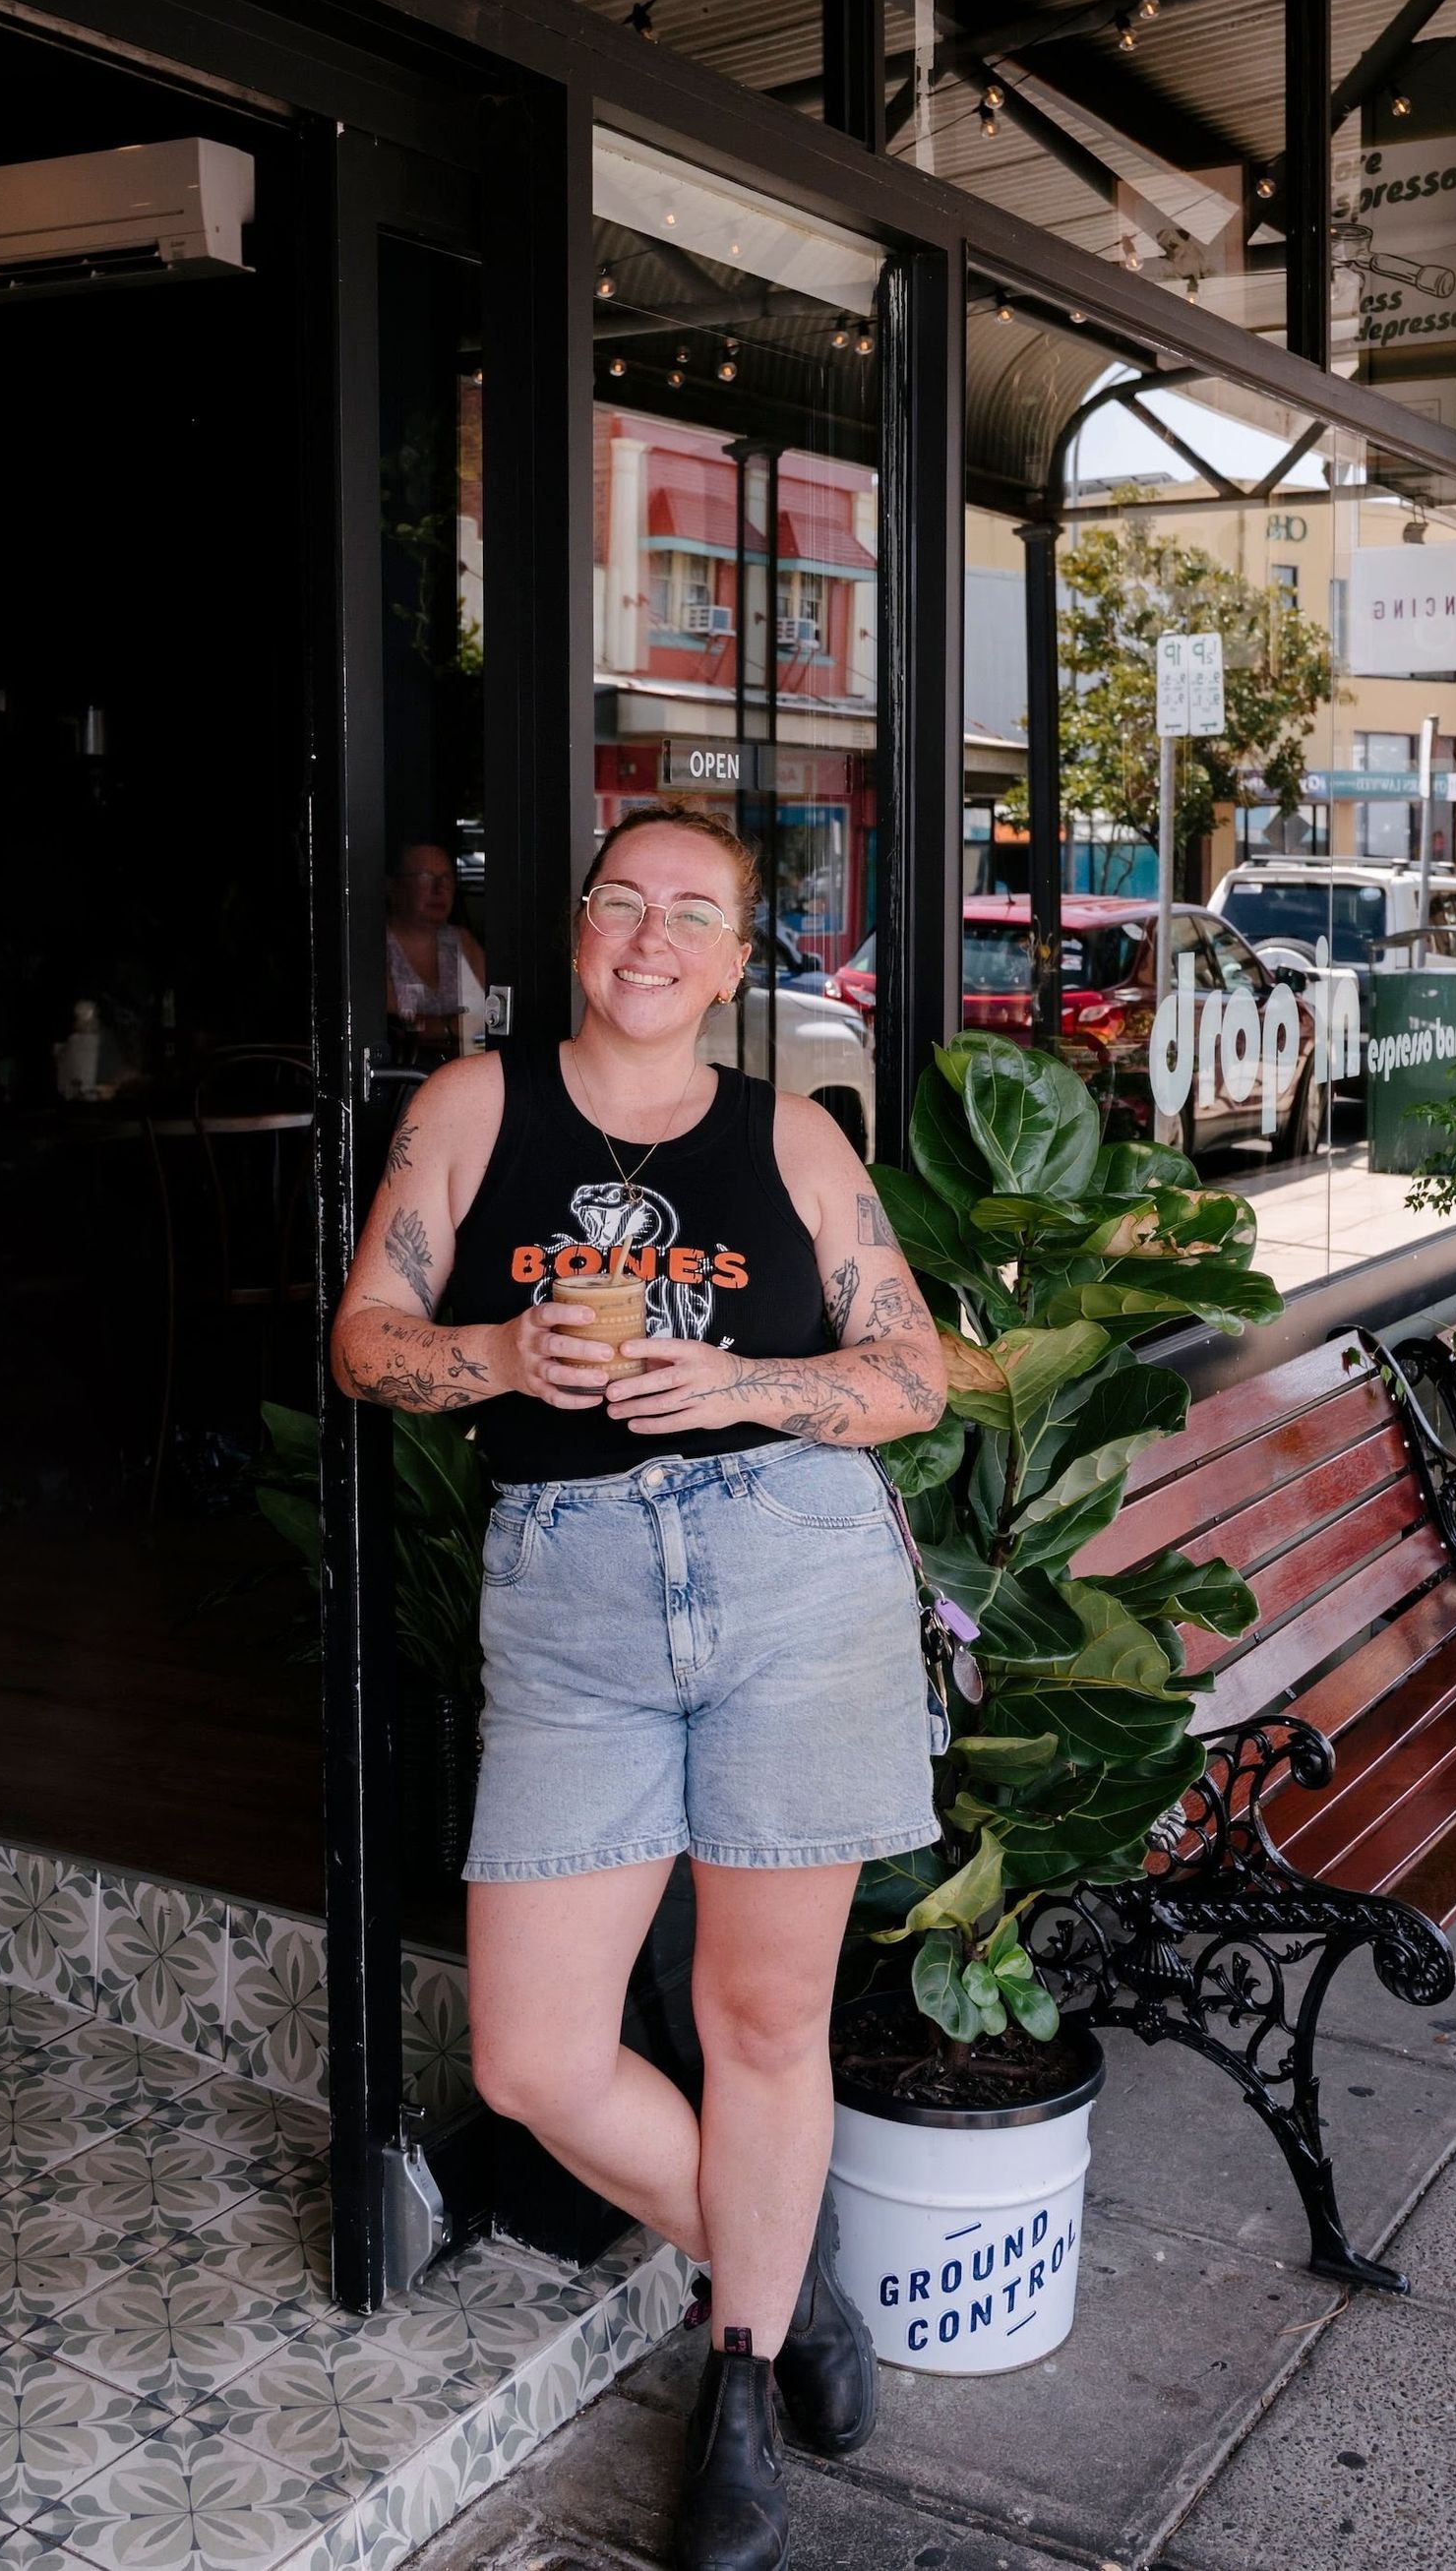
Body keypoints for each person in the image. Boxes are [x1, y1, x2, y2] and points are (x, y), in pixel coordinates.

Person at [333, 803, 947, 2571]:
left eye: (696, 911)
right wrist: (502, 1351)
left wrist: (751, 1386)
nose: (651, 933)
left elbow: (906, 1374)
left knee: (763, 2024)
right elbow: (364, 1342)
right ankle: (796, 2272)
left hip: (790, 1575)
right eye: (622, 899)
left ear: (742, 958)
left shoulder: (796, 1139)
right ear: (580, 927)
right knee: (534, 2054)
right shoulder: (473, 1107)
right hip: (575, 1601)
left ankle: (737, 2387)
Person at [386, 838, 487, 1053]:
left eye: (446, 878)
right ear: (393, 886)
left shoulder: (462, 941)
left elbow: (497, 1010)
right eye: (425, 877)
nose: (439, 888)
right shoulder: (377, 947)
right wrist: (450, 1026)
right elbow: (390, 1026)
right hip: (403, 1076)